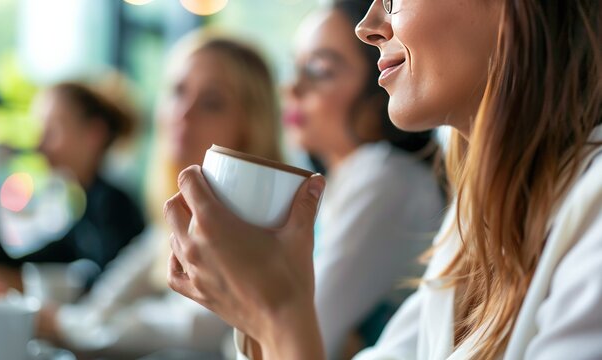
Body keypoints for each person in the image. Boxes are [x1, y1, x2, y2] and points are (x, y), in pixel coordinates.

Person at [163, 0, 602, 359]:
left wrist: (275, 314)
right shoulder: (470, 229)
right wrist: (261, 314)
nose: (369, 26)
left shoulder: (592, 219)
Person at [35, 32, 283, 358]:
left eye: (211, 103)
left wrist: (66, 326)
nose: (184, 113)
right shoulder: (178, 208)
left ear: (251, 124)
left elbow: (194, 329)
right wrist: (65, 323)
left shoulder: (256, 222)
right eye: (178, 92)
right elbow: (111, 297)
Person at [283, 1, 444, 358]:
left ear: (379, 83)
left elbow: (309, 332)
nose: (292, 88)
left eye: (320, 70)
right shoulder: (337, 184)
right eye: (296, 67)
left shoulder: (385, 177)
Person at [0, 81, 145, 293]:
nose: (40, 144)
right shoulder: (87, 214)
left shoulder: (115, 207)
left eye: (52, 130)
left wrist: (27, 283)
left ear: (94, 134)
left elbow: (110, 293)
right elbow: (5, 265)